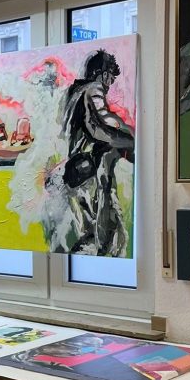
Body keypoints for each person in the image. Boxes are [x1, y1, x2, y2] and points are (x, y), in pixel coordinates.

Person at [58, 50, 135, 256]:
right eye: (110, 77)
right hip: (85, 165)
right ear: (102, 73)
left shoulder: (74, 91)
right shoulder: (94, 89)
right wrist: (130, 137)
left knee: (85, 230)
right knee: (101, 226)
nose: (110, 83)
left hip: (72, 167)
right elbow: (101, 123)